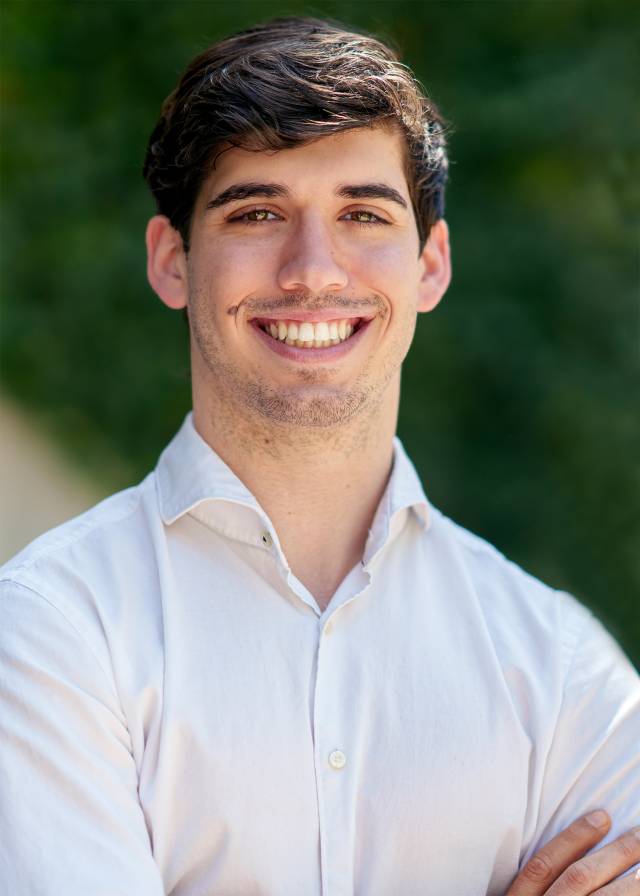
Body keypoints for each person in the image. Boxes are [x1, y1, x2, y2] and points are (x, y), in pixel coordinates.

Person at [0, 16, 638, 896]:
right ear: (173, 260)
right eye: (257, 212)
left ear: (430, 266)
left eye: (363, 214)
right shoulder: (50, 634)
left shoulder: (564, 668)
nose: (312, 270)